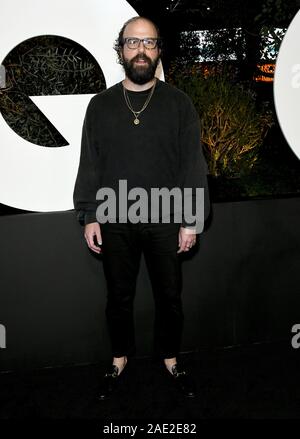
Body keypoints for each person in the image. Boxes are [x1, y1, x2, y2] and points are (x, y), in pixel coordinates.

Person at [73, 16, 210, 400]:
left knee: (170, 297)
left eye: (149, 43)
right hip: (115, 218)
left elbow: (192, 165)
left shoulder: (179, 104)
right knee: (118, 297)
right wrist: (89, 214)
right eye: (133, 42)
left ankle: (169, 357)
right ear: (120, 50)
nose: (141, 50)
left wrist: (191, 220)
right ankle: (119, 358)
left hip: (167, 220)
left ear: (158, 50)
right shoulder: (100, 105)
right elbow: (90, 163)